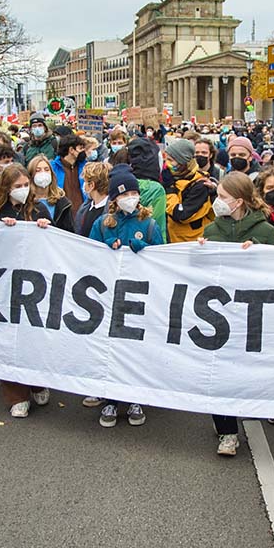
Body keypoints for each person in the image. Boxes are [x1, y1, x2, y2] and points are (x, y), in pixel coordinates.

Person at [199, 171, 274, 456]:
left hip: (253, 314)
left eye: (222, 197)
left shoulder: (266, 232)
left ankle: (266, 404)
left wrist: (259, 254)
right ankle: (227, 431)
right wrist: (197, 254)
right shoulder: (212, 231)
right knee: (218, 371)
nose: (217, 202)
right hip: (220, 314)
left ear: (240, 201)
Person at [88, 164, 161, 428]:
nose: (130, 197)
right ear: (114, 198)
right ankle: (110, 399)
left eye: (133, 191)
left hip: (139, 299)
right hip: (109, 297)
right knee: (110, 348)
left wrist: (148, 250)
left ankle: (135, 397)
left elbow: (165, 260)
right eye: (124, 193)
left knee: (135, 350)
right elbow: (87, 258)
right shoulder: (102, 224)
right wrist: (105, 250)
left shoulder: (149, 223)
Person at [0, 165, 53, 417]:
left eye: (26, 185)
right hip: (3, 284)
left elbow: (56, 246)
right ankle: (16, 395)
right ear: (6, 189)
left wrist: (46, 228)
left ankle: (37, 382)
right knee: (8, 339)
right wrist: (0, 231)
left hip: (35, 284)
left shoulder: (40, 209)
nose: (23, 190)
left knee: (34, 335)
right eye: (17, 186)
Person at [163, 138, 215, 243]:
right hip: (173, 239)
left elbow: (181, 214)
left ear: (183, 162)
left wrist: (170, 190)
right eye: (166, 159)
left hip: (192, 242)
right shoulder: (174, 178)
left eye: (171, 160)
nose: (167, 164)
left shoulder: (200, 184)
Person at [28, 154, 75, 232]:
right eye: (38, 170)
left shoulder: (63, 203)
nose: (43, 173)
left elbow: (69, 231)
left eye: (46, 170)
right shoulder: (26, 202)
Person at [50, 133, 87, 211]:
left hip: (81, 213)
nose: (83, 151)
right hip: (62, 213)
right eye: (80, 148)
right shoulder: (52, 168)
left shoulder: (85, 167)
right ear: (71, 150)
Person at [74, 161, 110, 238]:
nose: (84, 185)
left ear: (91, 185)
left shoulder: (112, 210)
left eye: (85, 181)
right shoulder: (84, 208)